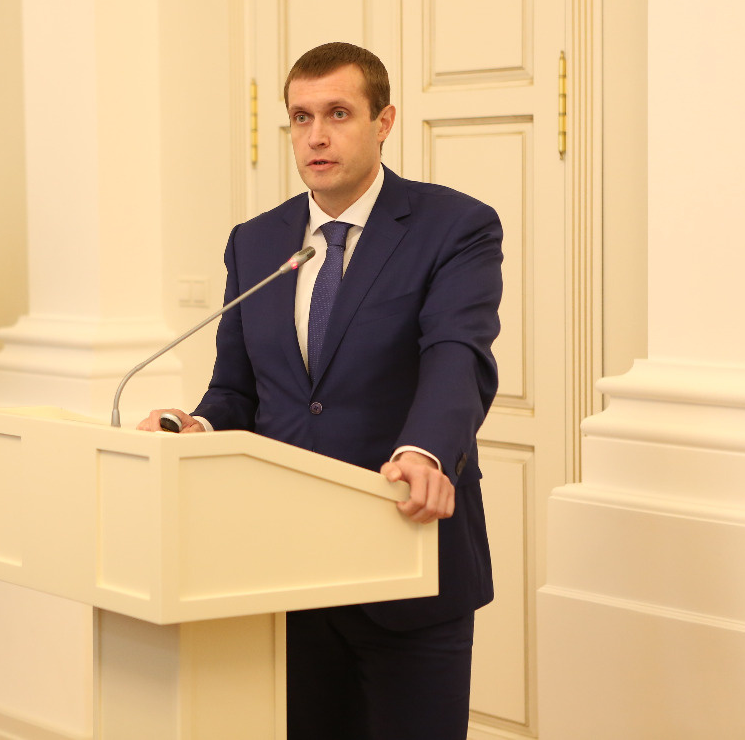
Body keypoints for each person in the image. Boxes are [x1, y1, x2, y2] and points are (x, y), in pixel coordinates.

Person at [139, 41, 501, 740]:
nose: (316, 136)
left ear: (383, 121)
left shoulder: (454, 226)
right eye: (301, 117)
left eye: (338, 113)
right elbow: (236, 389)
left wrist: (426, 450)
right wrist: (196, 426)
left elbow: (457, 353)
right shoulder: (255, 241)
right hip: (288, 571)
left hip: (406, 556)